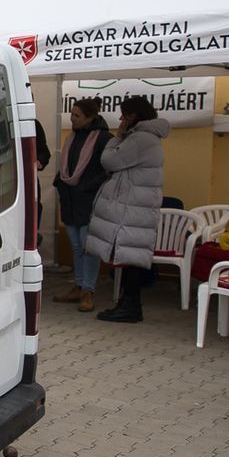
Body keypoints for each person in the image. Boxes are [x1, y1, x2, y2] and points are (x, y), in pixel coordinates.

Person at [86, 95, 170, 323]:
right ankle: (127, 303)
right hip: (137, 204)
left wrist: (117, 138)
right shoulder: (147, 137)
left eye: (124, 114)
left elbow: (109, 161)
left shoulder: (140, 138)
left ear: (133, 116)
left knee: (131, 257)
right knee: (130, 255)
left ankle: (131, 306)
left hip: (134, 207)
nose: (121, 118)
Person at [51, 97, 109, 313]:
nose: (72, 119)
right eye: (72, 114)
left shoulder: (103, 140)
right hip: (70, 199)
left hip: (88, 201)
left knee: (88, 246)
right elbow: (67, 166)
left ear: (90, 118)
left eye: (77, 116)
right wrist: (60, 182)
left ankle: (88, 291)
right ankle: (78, 284)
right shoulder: (72, 138)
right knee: (76, 245)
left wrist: (86, 186)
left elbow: (107, 171)